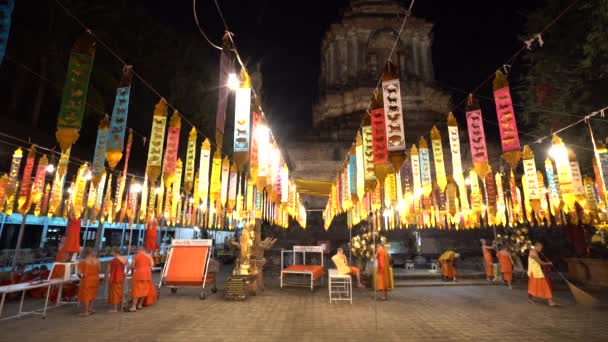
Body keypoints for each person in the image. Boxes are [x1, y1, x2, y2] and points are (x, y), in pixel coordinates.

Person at [527, 242, 558, 306]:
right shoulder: (534, 254)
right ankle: (550, 301)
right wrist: (548, 263)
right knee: (541, 286)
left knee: (534, 286)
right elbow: (541, 263)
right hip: (535, 272)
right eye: (540, 248)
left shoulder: (533, 251)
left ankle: (549, 301)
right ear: (536, 247)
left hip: (535, 272)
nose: (540, 250)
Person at [129, 246, 155, 312]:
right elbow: (152, 265)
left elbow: (132, 266)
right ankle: (139, 304)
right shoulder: (149, 256)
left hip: (138, 274)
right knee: (144, 289)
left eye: (136, 250)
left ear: (139, 250)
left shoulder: (135, 256)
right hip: (147, 274)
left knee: (136, 290)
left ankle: (133, 306)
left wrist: (132, 273)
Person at [77, 247, 100, 316]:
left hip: (87, 279)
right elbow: (99, 270)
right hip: (95, 278)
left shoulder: (83, 262)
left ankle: (86, 311)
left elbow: (79, 273)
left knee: (86, 295)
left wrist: (80, 277)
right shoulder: (97, 261)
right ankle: (90, 308)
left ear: (85, 253)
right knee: (93, 294)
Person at [106, 247, 127, 313]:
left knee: (114, 292)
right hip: (121, 276)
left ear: (114, 252)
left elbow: (108, 271)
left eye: (112, 252)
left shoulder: (112, 261)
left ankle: (115, 308)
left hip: (114, 277)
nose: (111, 253)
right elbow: (129, 266)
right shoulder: (124, 259)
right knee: (120, 291)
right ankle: (121, 305)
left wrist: (105, 278)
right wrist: (125, 273)